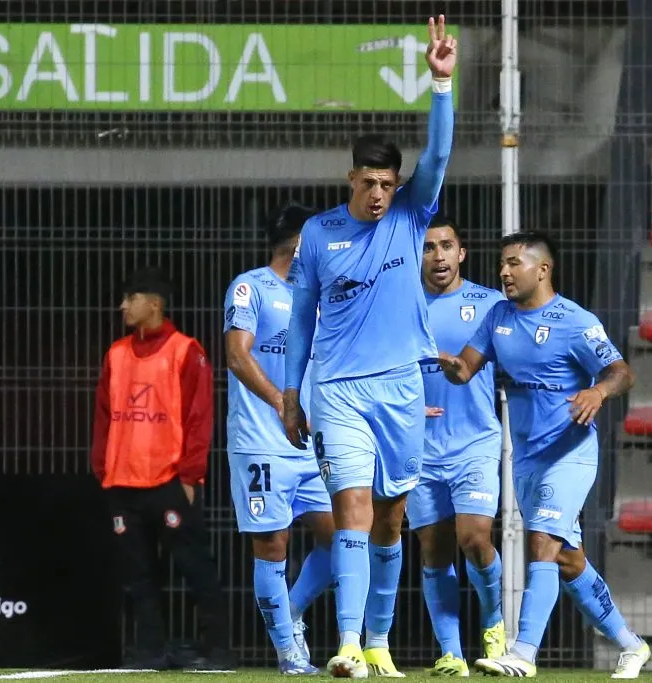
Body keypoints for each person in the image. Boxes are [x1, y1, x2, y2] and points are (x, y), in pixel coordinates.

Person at [280, 15, 457, 679]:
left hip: (402, 387)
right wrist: (293, 393)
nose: (380, 194)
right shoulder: (319, 235)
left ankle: (379, 639)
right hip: (338, 389)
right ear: (350, 178)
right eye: (370, 183)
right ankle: (348, 643)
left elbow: (436, 156)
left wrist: (441, 84)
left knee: (392, 519)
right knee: (351, 505)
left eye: (389, 183)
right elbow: (302, 320)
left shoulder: (414, 212)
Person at [438, 232, 652, 679]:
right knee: (567, 559)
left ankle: (523, 653)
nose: (504, 272)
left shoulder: (575, 321)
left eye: (514, 263)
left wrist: (597, 389)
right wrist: (429, 353)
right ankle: (632, 646)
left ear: (542, 269)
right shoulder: (498, 316)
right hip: (528, 458)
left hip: (570, 452)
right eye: (502, 263)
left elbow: (621, 372)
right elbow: (463, 371)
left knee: (541, 544)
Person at [90, 267, 233, 671]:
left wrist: (190, 475)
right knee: (137, 574)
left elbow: (199, 416)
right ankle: (150, 652)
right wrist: (103, 469)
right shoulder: (116, 353)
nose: (122, 306)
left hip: (168, 480)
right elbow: (103, 416)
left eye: (130, 298)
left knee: (193, 566)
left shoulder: (186, 350)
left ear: (153, 303)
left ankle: (218, 651)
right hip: (121, 482)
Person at [224, 202, 335, 675]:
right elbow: (236, 355)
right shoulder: (252, 288)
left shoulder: (322, 297)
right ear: (300, 244)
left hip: (312, 442)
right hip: (261, 440)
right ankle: (289, 654)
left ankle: (290, 611)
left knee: (345, 536)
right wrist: (278, 399)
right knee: (273, 545)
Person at [409, 216, 507, 676]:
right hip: (417, 447)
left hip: (475, 442)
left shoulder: (489, 304)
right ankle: (451, 652)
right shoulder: (401, 306)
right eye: (429, 248)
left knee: (474, 537)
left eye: (447, 245)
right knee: (434, 548)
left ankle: (494, 622)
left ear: (462, 253)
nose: (439, 255)